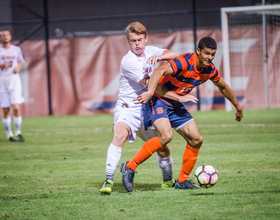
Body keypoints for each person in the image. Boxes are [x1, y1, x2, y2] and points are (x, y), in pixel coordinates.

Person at [120, 36, 243, 192]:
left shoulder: (209, 70)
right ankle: (129, 167)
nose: (209, 57)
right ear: (198, 51)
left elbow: (223, 87)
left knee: (196, 139)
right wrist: (151, 91)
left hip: (175, 103)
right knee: (166, 136)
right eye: (206, 53)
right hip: (158, 99)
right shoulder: (185, 62)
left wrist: (237, 107)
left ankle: (182, 180)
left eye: (212, 54)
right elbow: (160, 70)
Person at [100, 22, 181, 194]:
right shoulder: (128, 61)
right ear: (128, 42)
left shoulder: (151, 51)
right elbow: (150, 85)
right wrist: (178, 97)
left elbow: (173, 54)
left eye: (140, 39)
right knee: (120, 136)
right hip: (128, 107)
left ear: (146, 39)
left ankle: (168, 180)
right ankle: (108, 180)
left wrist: (160, 57)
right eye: (133, 41)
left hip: (147, 107)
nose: (137, 43)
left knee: (163, 144)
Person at [0, 30, 25, 142]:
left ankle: (18, 132)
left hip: (14, 81)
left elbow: (21, 61)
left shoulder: (16, 49)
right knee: (5, 109)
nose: (5, 37)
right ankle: (9, 133)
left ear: (10, 36)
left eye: (7, 35)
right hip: (2, 82)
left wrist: (19, 67)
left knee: (16, 106)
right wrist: (2, 65)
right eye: (3, 35)